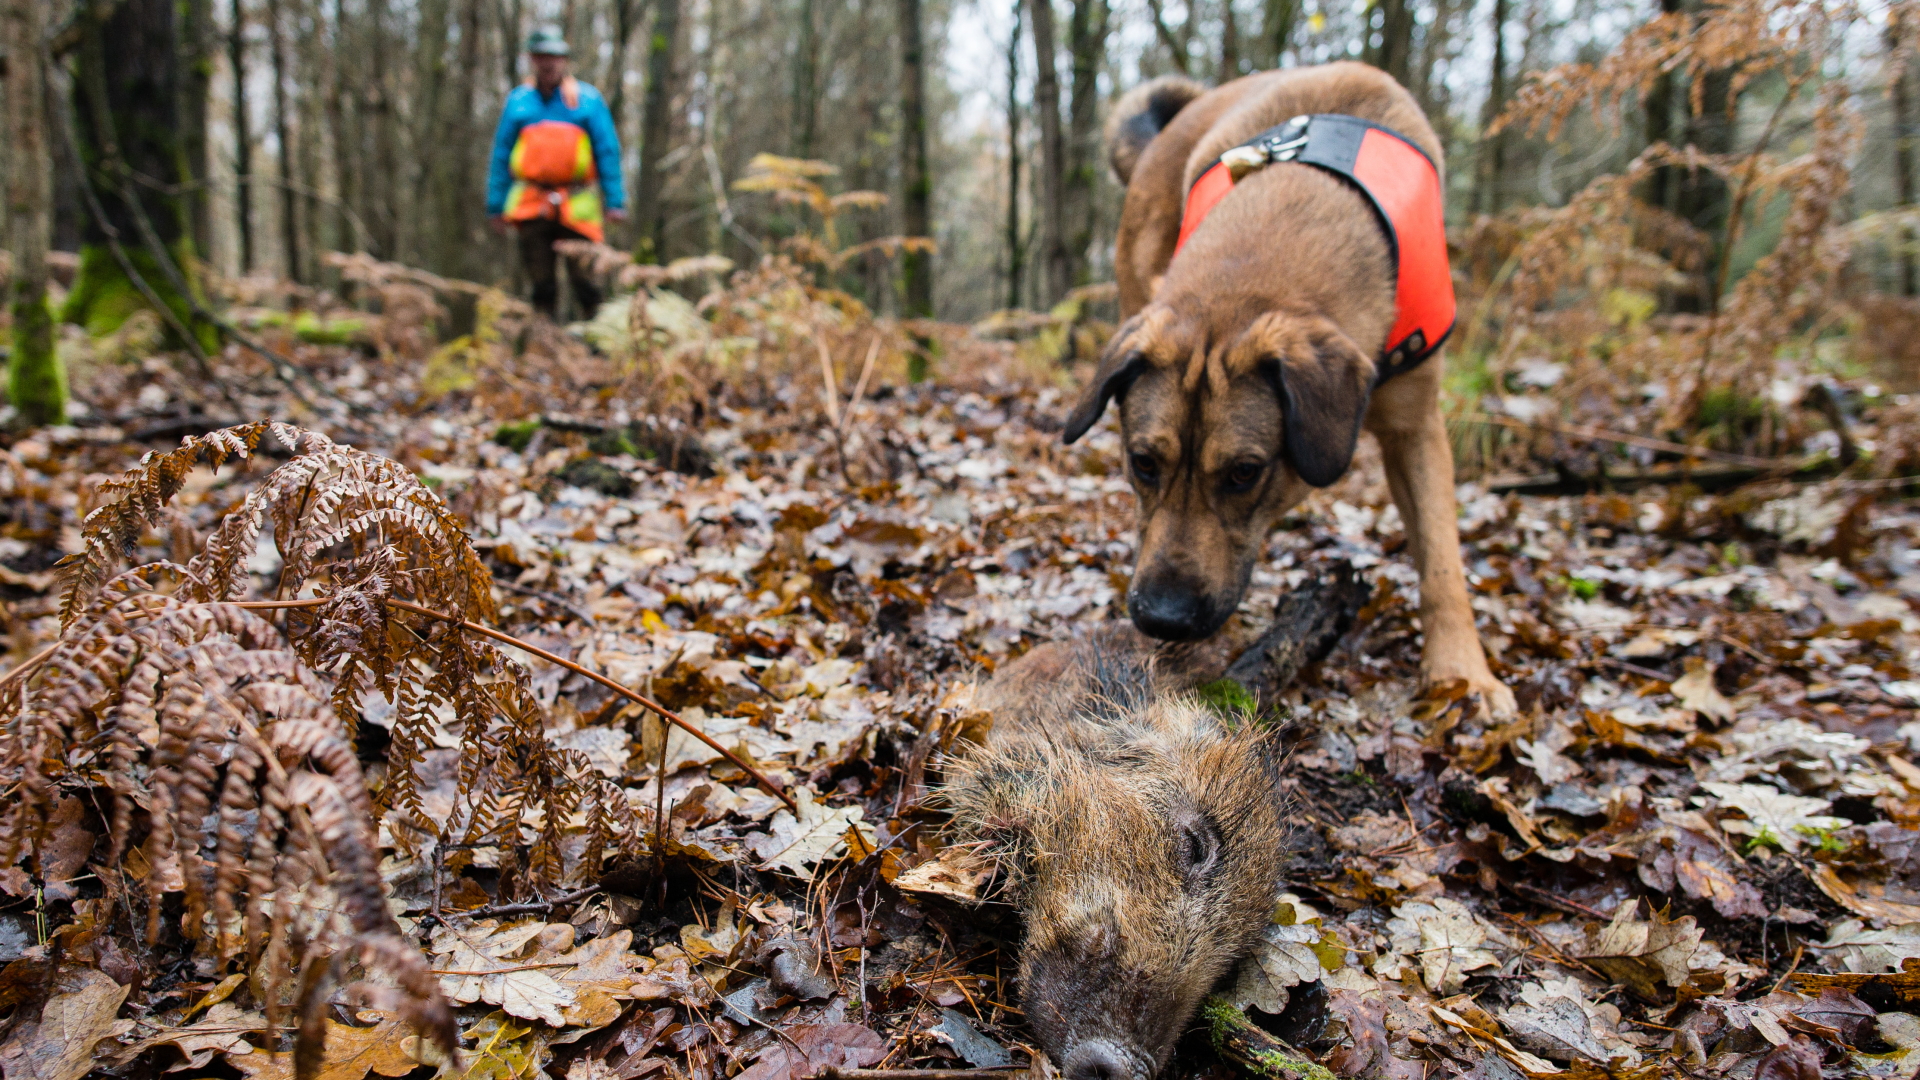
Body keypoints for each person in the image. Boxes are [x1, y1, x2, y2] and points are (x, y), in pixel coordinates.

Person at [486, 26, 627, 319]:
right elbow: (501, 155)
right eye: (541, 56)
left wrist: (615, 201)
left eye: (554, 56)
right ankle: (545, 346)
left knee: (587, 281)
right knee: (541, 284)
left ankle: (597, 348)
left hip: (578, 204)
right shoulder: (518, 101)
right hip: (531, 202)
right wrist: (496, 205)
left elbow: (607, 151)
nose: (548, 63)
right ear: (532, 59)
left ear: (564, 59)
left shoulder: (587, 100)